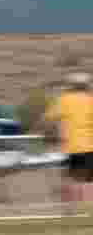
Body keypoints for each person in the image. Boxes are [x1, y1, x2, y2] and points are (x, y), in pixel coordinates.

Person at [41, 72, 93, 211]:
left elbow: (47, 120)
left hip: (71, 146)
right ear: (87, 85)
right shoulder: (90, 100)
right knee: (88, 180)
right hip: (89, 146)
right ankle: (87, 209)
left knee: (69, 178)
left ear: (70, 86)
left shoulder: (64, 100)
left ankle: (70, 208)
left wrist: (48, 135)